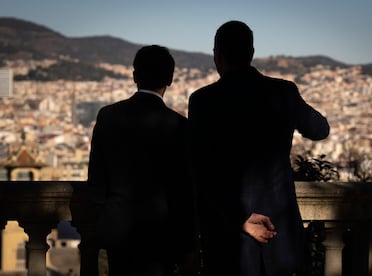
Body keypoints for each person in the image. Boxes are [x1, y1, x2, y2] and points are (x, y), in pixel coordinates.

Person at [188, 20, 330, 276]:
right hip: (279, 233)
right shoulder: (283, 92)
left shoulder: (202, 101)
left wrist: (239, 220)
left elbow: (201, 173)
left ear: (217, 55)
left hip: (228, 238)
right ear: (252, 54)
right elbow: (320, 130)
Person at [87, 45, 195, 276]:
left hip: (117, 232)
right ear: (171, 79)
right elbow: (185, 190)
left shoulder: (108, 116)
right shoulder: (180, 126)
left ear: (134, 75)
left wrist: (102, 217)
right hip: (162, 236)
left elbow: (96, 177)